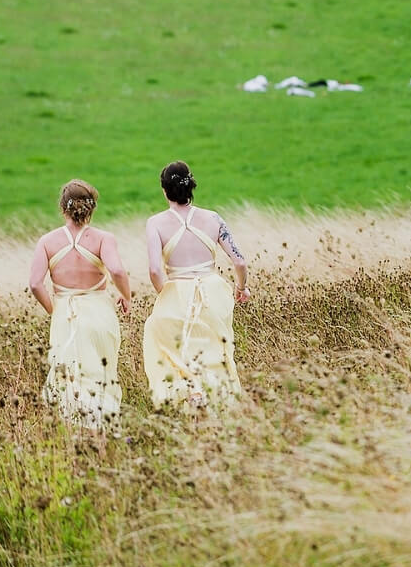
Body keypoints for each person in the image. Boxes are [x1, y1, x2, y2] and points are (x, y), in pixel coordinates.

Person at [28, 179, 132, 432]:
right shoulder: (103, 238)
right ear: (92, 207)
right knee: (101, 375)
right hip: (99, 312)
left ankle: (75, 436)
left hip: (66, 314)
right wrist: (125, 295)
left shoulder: (47, 241)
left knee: (68, 379)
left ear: (63, 208)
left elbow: (35, 284)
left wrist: (55, 310)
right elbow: (117, 269)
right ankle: (104, 434)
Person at [142, 161, 247, 410]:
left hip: (176, 290)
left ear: (164, 191)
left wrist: (165, 293)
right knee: (215, 350)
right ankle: (217, 404)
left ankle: (191, 396)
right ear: (192, 186)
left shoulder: (155, 223)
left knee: (177, 351)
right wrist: (242, 287)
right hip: (213, 291)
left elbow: (155, 269)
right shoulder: (213, 218)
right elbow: (240, 262)